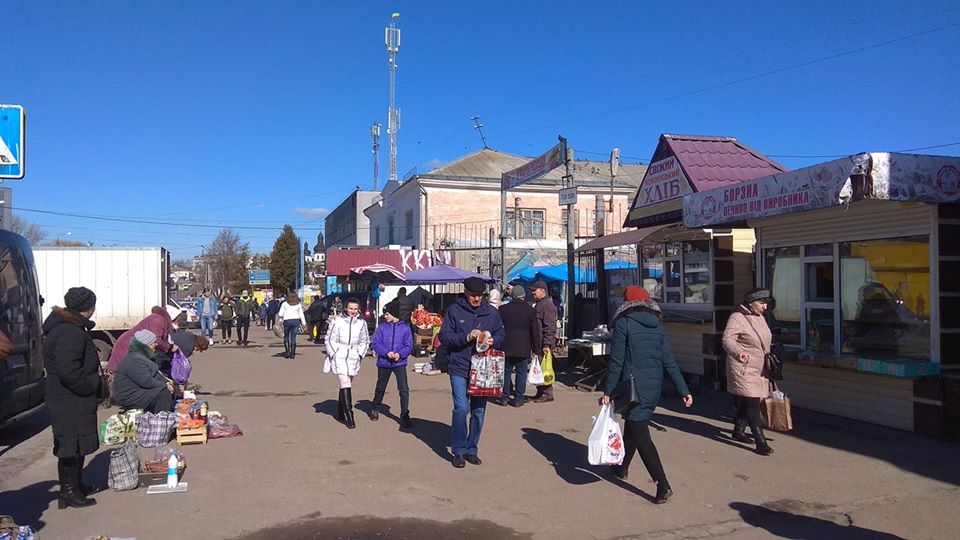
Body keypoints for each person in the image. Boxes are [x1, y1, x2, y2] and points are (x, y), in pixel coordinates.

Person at [601, 286, 693, 504]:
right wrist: (684, 390)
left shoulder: (624, 323)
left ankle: (663, 484)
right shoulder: (657, 326)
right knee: (632, 426)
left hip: (633, 387)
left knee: (641, 434)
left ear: (626, 302)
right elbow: (669, 360)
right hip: (653, 386)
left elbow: (616, 362)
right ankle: (621, 467)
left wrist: (608, 391)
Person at [42, 286, 102, 509]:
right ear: (90, 307)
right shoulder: (69, 332)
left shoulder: (69, 327)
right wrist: (89, 387)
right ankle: (67, 491)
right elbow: (69, 370)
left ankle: (76, 485)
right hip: (69, 397)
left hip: (70, 396)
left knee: (76, 443)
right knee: (69, 444)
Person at [438, 276, 505, 469]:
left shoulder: (491, 313)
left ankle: (471, 449)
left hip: (483, 369)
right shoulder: (454, 310)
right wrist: (466, 337)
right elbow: (444, 336)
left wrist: (495, 340)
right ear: (465, 293)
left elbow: (502, 334)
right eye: (472, 295)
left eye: (479, 295)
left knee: (479, 411)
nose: (476, 299)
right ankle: (458, 451)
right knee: (461, 408)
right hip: (459, 366)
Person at [722, 288, 776, 456]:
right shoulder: (737, 317)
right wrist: (739, 352)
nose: (764, 307)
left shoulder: (760, 317)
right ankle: (761, 442)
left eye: (766, 303)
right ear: (751, 303)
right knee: (752, 401)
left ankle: (738, 430)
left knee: (750, 399)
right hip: (742, 367)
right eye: (761, 303)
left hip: (760, 367)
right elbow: (727, 339)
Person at [324, 297, 370, 429]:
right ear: (345, 308)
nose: (353, 311)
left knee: (347, 383)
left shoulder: (361, 323)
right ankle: (349, 414)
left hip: (354, 357)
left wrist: (360, 354)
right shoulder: (337, 322)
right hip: (340, 355)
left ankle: (340, 408)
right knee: (345, 382)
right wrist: (334, 353)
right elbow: (329, 338)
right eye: (350, 308)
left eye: (355, 309)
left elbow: (365, 340)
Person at [368, 303, 414, 428]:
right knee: (380, 387)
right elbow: (376, 343)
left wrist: (400, 354)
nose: (385, 316)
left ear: (394, 314)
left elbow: (409, 345)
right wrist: (386, 353)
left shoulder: (405, 327)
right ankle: (375, 408)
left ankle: (404, 414)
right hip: (384, 362)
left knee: (404, 389)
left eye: (387, 314)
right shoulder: (382, 327)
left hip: (400, 363)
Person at [494, 285, 541, 407]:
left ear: (511, 295)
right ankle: (518, 399)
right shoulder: (530, 310)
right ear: (524, 296)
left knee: (506, 372)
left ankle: (504, 397)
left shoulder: (503, 309)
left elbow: (497, 327)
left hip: (506, 345)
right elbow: (535, 331)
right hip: (523, 346)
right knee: (521, 373)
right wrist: (536, 349)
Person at [113, 329, 176, 414]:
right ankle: (161, 421)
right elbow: (146, 381)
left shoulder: (142, 357)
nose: (156, 344)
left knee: (171, 390)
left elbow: (155, 374)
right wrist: (164, 386)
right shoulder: (135, 360)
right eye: (154, 342)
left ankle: (159, 415)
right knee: (164, 394)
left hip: (138, 390)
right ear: (147, 345)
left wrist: (167, 383)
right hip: (128, 394)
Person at [106, 306, 177, 378]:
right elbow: (156, 339)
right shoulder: (158, 320)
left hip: (131, 346)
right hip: (127, 346)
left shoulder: (159, 319)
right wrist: (170, 347)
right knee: (123, 373)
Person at [530, 280, 558, 403]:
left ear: (543, 291)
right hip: (539, 342)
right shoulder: (540, 304)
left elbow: (550, 326)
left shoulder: (547, 305)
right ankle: (541, 391)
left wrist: (547, 343)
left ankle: (547, 392)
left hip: (543, 343)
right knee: (539, 368)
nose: (532, 292)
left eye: (534, 290)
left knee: (545, 368)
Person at [277, 292, 306, 359]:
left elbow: (280, 314)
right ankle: (292, 354)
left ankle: (287, 352)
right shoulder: (298, 304)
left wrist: (279, 321)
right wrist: (304, 324)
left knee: (286, 336)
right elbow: (301, 315)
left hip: (287, 321)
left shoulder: (284, 304)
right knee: (293, 337)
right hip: (296, 321)